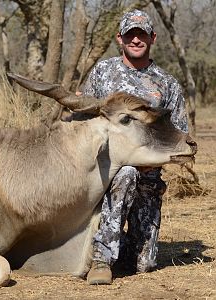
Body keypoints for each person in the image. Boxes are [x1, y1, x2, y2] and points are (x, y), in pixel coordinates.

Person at [83, 9, 189, 285]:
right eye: (130, 34)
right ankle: (101, 259)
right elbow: (84, 120)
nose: (136, 39)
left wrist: (153, 160)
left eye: (142, 34)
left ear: (152, 38)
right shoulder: (102, 72)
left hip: (150, 179)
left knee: (144, 265)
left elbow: (180, 136)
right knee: (125, 173)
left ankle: (122, 243)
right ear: (120, 38)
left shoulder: (166, 83)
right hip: (110, 173)